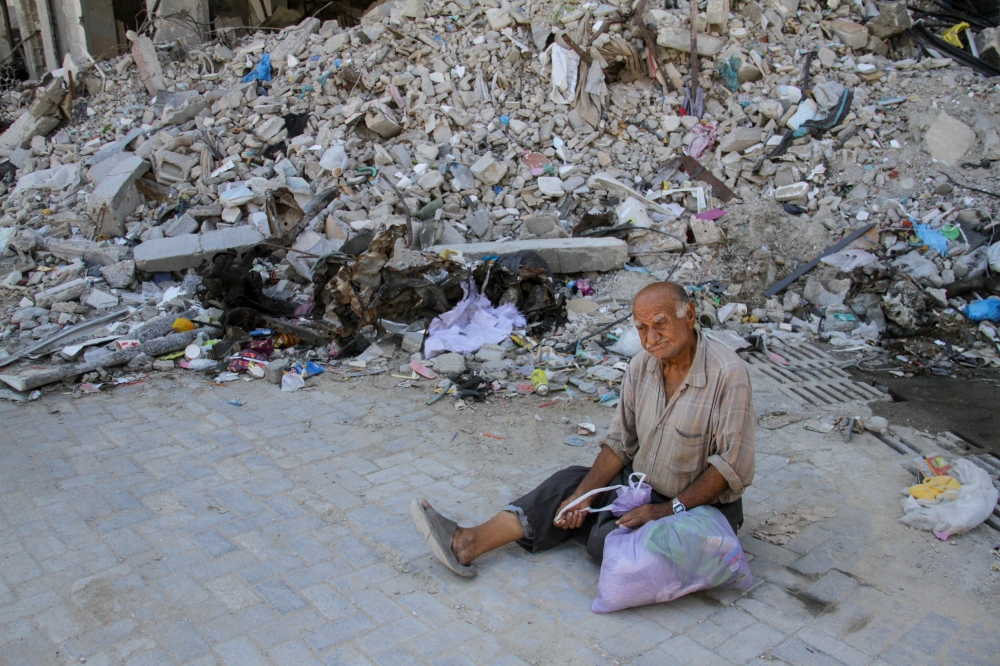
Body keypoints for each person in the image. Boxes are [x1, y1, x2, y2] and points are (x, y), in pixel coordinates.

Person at [411, 281, 755, 577]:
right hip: (643, 488)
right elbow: (620, 443)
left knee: (607, 543)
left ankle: (603, 529)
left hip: (697, 510)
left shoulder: (728, 374)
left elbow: (729, 467)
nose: (651, 339)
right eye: (641, 328)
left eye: (661, 324)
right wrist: (581, 496)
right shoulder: (640, 367)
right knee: (569, 485)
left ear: (689, 316)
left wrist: (667, 509)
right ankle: (467, 543)